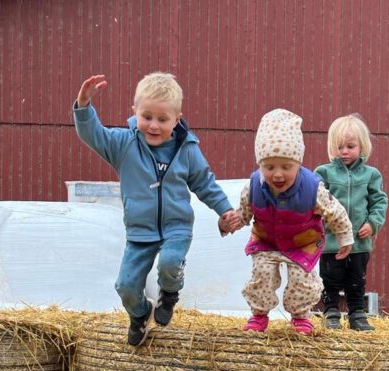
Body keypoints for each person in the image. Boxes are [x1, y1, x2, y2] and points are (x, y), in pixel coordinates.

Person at [73, 72, 242, 346]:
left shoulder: (186, 147)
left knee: (170, 264)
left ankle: (170, 294)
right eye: (147, 116)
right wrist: (83, 106)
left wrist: (224, 209)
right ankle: (140, 314)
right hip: (140, 232)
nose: (153, 125)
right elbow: (94, 135)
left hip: (177, 227)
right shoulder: (124, 144)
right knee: (125, 286)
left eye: (163, 120)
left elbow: (204, 182)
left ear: (177, 119)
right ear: (134, 112)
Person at [224, 109, 354, 335]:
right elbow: (244, 212)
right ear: (260, 165)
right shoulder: (254, 186)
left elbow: (335, 211)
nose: (277, 174)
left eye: (286, 167)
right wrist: (231, 223)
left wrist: (345, 237)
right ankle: (259, 315)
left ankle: (300, 316)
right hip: (267, 240)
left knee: (301, 279)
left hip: (302, 242)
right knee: (261, 275)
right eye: (269, 167)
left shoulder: (312, 188)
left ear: (298, 163)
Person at [315, 114, 388, 331]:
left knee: (356, 279)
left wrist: (373, 223)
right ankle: (331, 312)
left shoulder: (371, 175)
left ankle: (357, 313)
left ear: (361, 146)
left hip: (359, 241)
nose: (344, 151)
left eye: (350, 146)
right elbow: (316, 198)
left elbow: (379, 202)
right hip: (330, 240)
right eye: (339, 147)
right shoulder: (323, 172)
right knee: (329, 278)